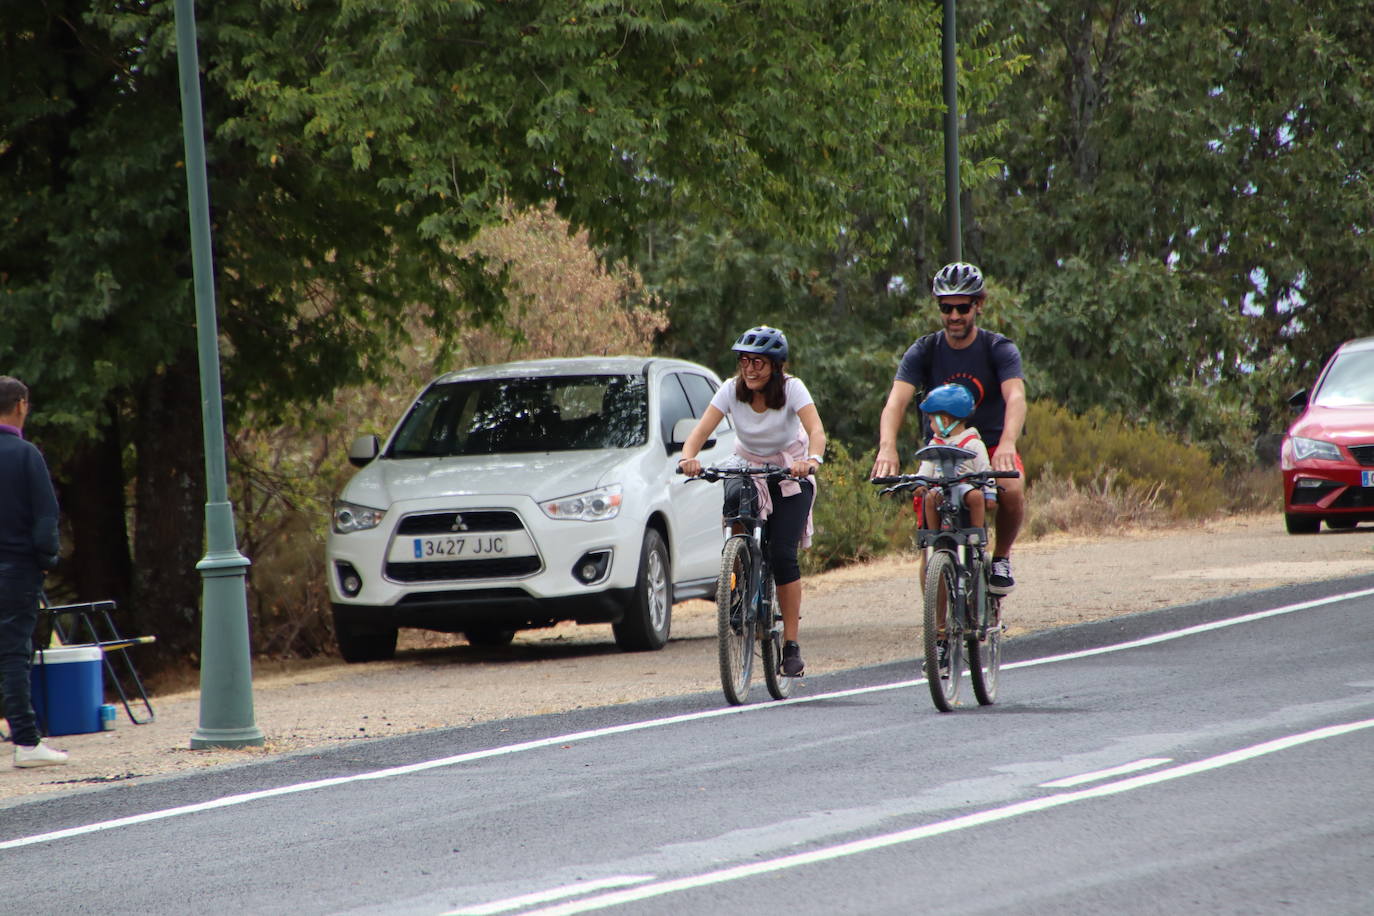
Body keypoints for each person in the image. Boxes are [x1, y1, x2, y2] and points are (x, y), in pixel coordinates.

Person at [678, 326, 827, 677]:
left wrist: (813, 460)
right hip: (746, 467)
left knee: (782, 554)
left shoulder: (793, 389)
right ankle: (739, 580)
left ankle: (790, 645)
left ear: (776, 366)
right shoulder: (730, 391)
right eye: (744, 361)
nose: (750, 369)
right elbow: (699, 432)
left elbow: (816, 430)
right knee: (737, 526)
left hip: (790, 471)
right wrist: (689, 457)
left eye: (758, 363)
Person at [871, 261, 1026, 594]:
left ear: (978, 305)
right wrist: (887, 446)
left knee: (1011, 489)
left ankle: (1000, 558)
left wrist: (1009, 444)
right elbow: (895, 402)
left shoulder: (998, 348)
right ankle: (939, 634)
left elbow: (1015, 397)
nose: (954, 316)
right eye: (946, 307)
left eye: (962, 307)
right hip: (941, 450)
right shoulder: (924, 350)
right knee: (931, 540)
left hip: (992, 445)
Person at [0, 376, 68, 767]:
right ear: (21, 404)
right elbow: (46, 519)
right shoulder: (27, 455)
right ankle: (26, 742)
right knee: (13, 653)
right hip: (16, 568)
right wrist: (47, 560)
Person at [911, 384, 994, 533]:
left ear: (945, 421)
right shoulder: (935, 444)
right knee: (930, 497)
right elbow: (926, 467)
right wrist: (920, 482)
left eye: (932, 421)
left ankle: (976, 534)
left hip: (965, 487)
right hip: (941, 487)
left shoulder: (973, 443)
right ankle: (933, 536)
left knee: (976, 497)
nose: (930, 425)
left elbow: (985, 470)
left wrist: (990, 493)